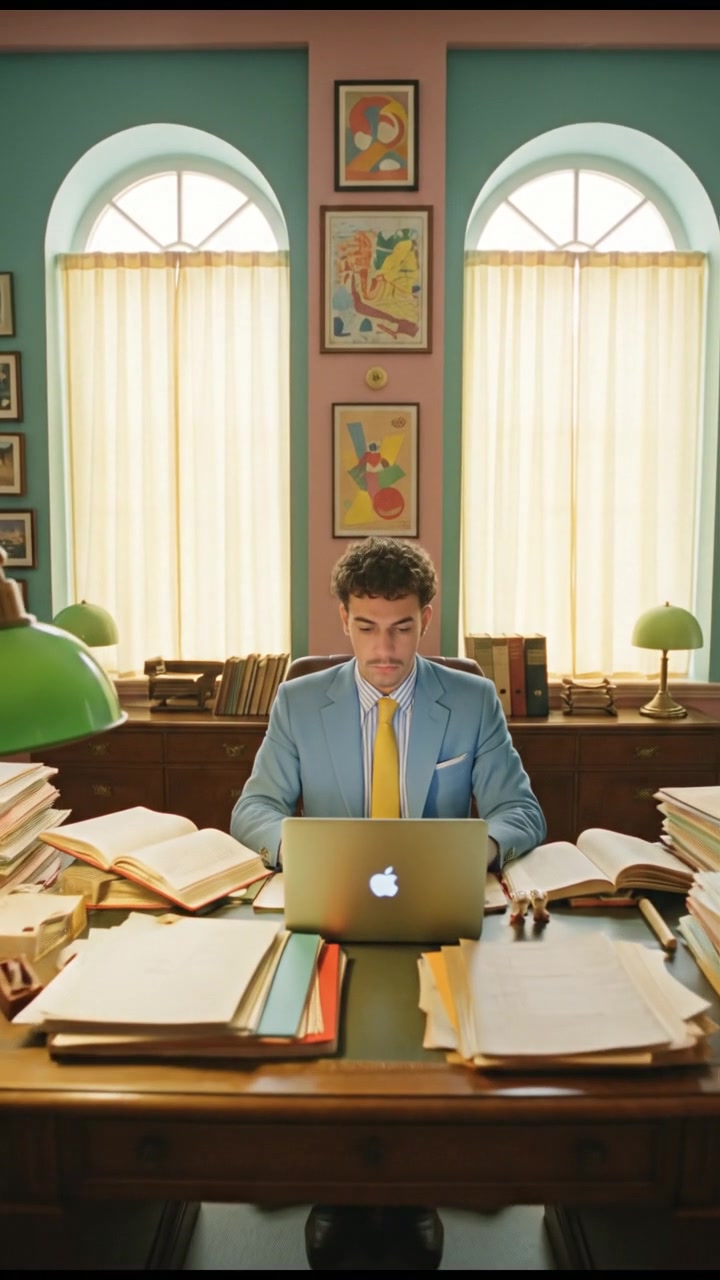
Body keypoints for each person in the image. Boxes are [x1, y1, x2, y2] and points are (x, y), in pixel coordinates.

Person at [231, 536, 546, 1270]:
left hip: (437, 917)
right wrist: (299, 849)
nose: (385, 648)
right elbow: (254, 808)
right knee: (333, 1051)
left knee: (427, 1053)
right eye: (368, 627)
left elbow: (520, 812)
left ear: (425, 619)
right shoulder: (299, 700)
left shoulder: (469, 698)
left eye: (402, 627)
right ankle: (337, 1187)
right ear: (344, 620)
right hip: (330, 915)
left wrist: (479, 851)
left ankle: (413, 1189)